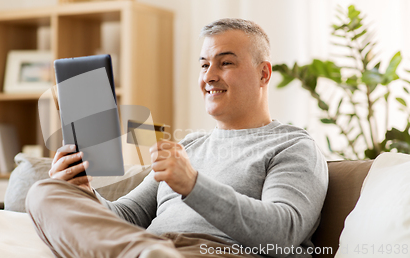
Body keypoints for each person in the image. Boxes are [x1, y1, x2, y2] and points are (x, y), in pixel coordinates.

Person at [26, 18, 329, 258]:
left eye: (225, 63)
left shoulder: (292, 146)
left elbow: (285, 233)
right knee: (42, 193)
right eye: (204, 64)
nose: (209, 76)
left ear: (263, 74)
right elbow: (125, 217)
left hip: (216, 253)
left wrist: (194, 185)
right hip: (152, 247)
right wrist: (85, 192)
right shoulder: (188, 148)